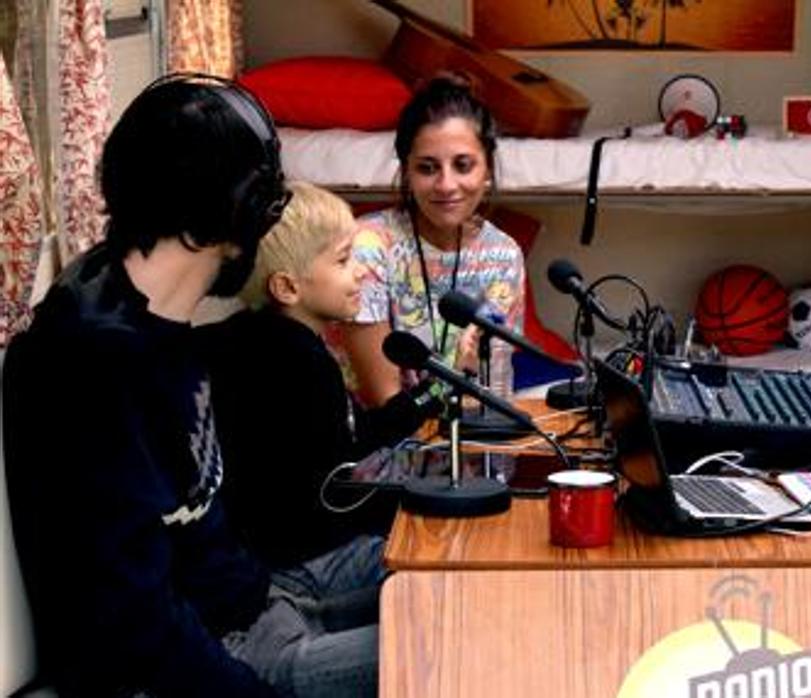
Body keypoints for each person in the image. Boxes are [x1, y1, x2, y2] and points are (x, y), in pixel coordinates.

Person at [3, 75, 373, 697]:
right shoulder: (93, 364)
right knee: (461, 652)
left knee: (465, 598)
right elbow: (134, 626)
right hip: (219, 660)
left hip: (256, 607)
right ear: (239, 212)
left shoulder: (143, 306)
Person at [201, 181, 429, 573]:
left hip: (268, 550)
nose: (359, 273)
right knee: (433, 555)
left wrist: (423, 401)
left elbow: (341, 440)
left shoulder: (247, 337)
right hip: (300, 561)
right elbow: (340, 474)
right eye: (343, 261)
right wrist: (431, 397)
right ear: (288, 287)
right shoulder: (299, 360)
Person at [339, 76, 526, 408]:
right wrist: (456, 376)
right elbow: (386, 403)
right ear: (407, 172)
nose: (446, 184)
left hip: (477, 450)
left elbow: (493, 396)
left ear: (488, 170)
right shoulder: (368, 247)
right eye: (427, 168)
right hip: (391, 454)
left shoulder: (503, 254)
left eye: (463, 165)